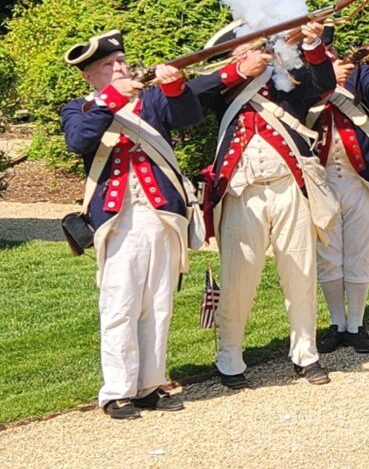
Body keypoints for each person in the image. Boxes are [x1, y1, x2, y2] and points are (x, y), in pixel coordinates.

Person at [60, 30, 264, 419]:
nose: (119, 67)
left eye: (120, 61)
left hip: (162, 216)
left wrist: (173, 87)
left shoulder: (150, 99)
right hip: (118, 219)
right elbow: (80, 140)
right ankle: (117, 391)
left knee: (158, 303)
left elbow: (187, 116)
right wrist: (114, 98)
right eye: (108, 65)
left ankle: (149, 385)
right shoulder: (80, 108)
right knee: (120, 304)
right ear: (89, 76)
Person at [205, 17, 337, 386]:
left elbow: (322, 84)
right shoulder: (224, 86)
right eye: (245, 48)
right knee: (237, 278)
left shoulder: (286, 78)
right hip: (241, 191)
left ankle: (305, 353)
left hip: (289, 186)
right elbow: (191, 96)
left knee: (300, 273)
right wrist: (236, 71)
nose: (258, 53)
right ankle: (229, 357)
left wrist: (312, 46)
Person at [310, 34, 369, 354]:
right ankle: (337, 323)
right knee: (328, 257)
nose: (328, 51)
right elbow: (293, 110)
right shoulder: (300, 76)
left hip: (360, 178)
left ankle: (356, 324)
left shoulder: (353, 71)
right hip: (319, 181)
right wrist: (325, 83)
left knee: (360, 254)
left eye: (328, 46)